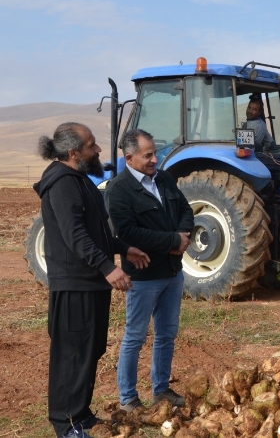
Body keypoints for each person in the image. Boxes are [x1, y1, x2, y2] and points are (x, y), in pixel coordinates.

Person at [34, 122, 150, 438]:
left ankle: (81, 415)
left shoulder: (80, 180)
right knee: (72, 353)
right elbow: (75, 235)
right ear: (74, 153)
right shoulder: (61, 184)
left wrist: (124, 248)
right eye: (92, 145)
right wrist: (107, 267)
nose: (98, 149)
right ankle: (66, 423)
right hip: (74, 284)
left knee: (90, 349)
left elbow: (97, 232)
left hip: (90, 283)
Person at [105, 129, 194, 412]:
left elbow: (185, 210)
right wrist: (172, 242)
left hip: (172, 273)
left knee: (167, 334)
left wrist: (182, 235)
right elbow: (127, 231)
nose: (155, 159)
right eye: (148, 155)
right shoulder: (118, 190)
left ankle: (161, 390)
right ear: (129, 158)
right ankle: (128, 398)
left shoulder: (164, 179)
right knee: (136, 336)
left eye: (155, 153)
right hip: (143, 277)